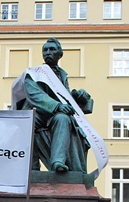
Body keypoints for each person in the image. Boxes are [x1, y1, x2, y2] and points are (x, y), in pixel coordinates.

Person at [13, 38, 93, 173]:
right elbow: (35, 95)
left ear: (60, 54)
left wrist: (77, 95)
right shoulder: (34, 73)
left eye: (52, 49)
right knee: (27, 124)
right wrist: (56, 106)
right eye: (45, 50)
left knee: (63, 119)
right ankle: (32, 168)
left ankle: (58, 162)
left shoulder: (62, 75)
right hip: (36, 112)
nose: (47, 52)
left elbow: (63, 96)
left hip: (53, 114)